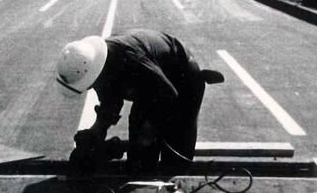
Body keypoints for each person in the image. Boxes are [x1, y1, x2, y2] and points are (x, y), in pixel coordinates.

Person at [56, 30, 224, 172]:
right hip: (150, 89)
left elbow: (168, 95)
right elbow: (110, 103)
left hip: (181, 80)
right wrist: (97, 131)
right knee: (140, 161)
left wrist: (147, 134)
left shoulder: (129, 58)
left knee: (174, 160)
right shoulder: (98, 69)